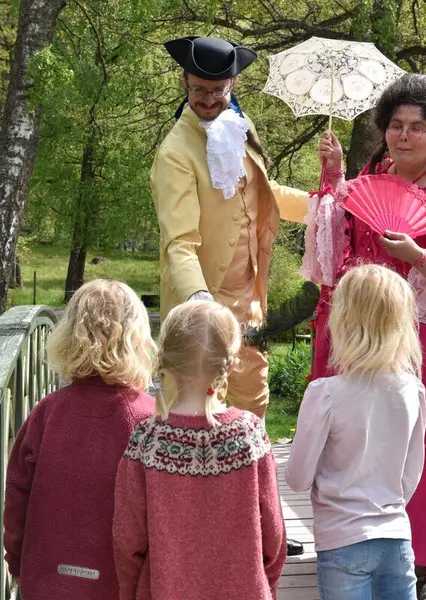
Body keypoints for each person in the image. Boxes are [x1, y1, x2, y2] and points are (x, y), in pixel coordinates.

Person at [303, 73, 426, 599]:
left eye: (417, 127)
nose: (404, 136)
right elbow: (338, 249)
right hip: (377, 329)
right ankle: (378, 545)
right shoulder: (376, 174)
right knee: (379, 440)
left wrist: (419, 257)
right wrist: (333, 181)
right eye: (396, 125)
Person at [151, 36, 308, 422]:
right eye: (199, 90)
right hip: (202, 301)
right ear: (184, 84)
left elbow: (259, 193)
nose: (208, 99)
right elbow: (179, 244)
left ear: (233, 85)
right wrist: (200, 303)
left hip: (248, 298)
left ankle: (247, 482)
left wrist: (322, 205)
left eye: (217, 90)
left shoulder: (238, 126)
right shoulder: (175, 153)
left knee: (252, 407)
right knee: (196, 413)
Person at [113, 300, 287, 600]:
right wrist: (265, 586)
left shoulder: (148, 440)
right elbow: (273, 534)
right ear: (231, 364)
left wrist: (132, 592)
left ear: (165, 361)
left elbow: (128, 539)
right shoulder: (249, 434)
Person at [3, 279, 156, 600]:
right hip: (119, 585)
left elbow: (17, 495)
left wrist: (16, 561)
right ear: (138, 340)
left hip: (46, 579)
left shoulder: (47, 411)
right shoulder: (149, 418)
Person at [285, 264, 426, 600]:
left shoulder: (326, 393)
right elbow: (411, 474)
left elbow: (297, 479)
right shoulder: (412, 390)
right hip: (397, 538)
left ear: (343, 322)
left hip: (342, 540)